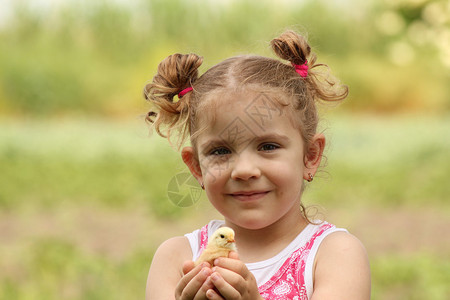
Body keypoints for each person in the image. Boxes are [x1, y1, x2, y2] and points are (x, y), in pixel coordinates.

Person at [144, 30, 371, 300]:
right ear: (196, 167)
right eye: (220, 151)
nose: (244, 170)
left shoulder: (335, 255)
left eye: (268, 146)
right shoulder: (177, 259)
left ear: (310, 156)